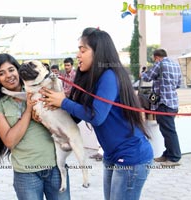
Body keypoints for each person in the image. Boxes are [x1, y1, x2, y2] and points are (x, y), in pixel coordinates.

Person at [39, 27, 153, 200]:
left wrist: (63, 101)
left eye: (83, 50)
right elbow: (75, 117)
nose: (78, 55)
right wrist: (47, 109)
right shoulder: (91, 77)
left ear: (98, 53)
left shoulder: (109, 75)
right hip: (112, 155)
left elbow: (96, 117)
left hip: (131, 157)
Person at [0, 53, 70, 200]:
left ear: (18, 70)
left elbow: (61, 121)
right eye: (2, 73)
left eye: (11, 70)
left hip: (56, 168)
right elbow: (10, 141)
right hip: (26, 174)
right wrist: (28, 110)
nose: (9, 75)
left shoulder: (40, 90)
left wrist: (43, 118)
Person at [141, 49, 182, 166]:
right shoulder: (175, 65)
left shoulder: (160, 64)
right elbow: (178, 84)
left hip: (163, 104)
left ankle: (174, 158)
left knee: (169, 131)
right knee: (167, 130)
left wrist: (142, 73)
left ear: (156, 57)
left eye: (154, 59)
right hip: (173, 103)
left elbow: (147, 77)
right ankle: (167, 154)